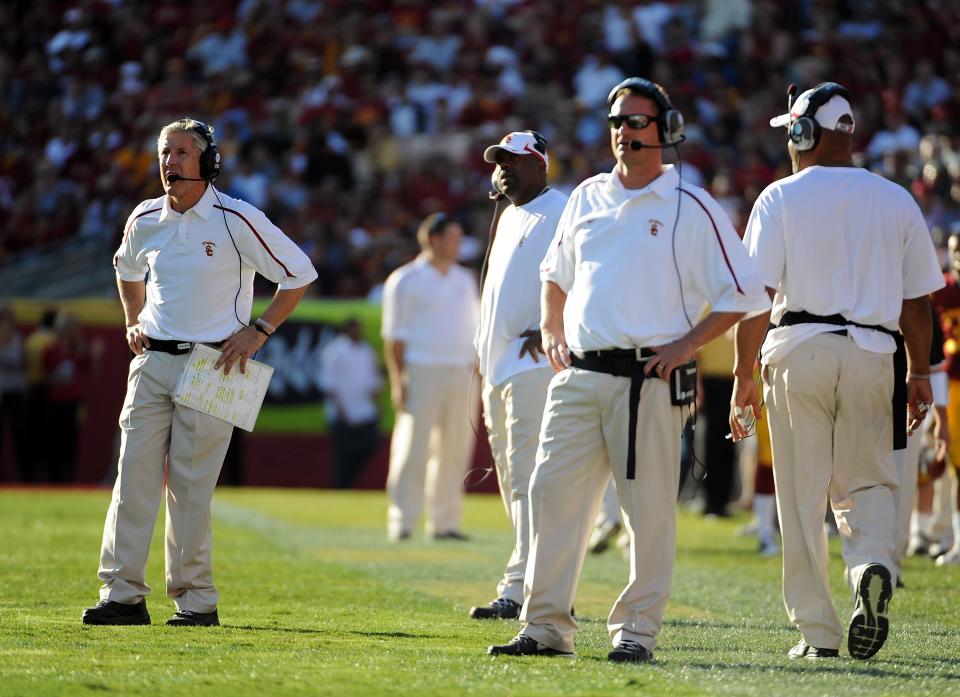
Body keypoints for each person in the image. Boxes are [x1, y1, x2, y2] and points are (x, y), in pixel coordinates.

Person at [488, 77, 768, 661]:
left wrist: (687, 343)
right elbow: (554, 276)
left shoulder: (692, 205)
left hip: (649, 379)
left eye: (636, 122)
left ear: (666, 132)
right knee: (549, 495)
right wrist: (550, 330)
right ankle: (545, 628)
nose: (623, 132)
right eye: (616, 122)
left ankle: (636, 632)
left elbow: (746, 293)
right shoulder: (587, 194)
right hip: (578, 375)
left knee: (646, 513)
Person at [730, 83, 943, 661]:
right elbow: (918, 302)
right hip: (876, 352)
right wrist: (920, 373)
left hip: (799, 347)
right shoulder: (896, 198)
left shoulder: (779, 197)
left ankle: (818, 634)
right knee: (869, 482)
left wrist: (742, 375)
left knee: (802, 496)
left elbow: (758, 296)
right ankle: (870, 565)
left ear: (804, 131)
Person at [82, 118, 317, 627]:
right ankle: (121, 594)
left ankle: (196, 601)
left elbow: (299, 273)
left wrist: (260, 331)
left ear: (210, 161)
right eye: (166, 152)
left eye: (183, 152)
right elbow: (126, 269)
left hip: (216, 362)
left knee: (190, 489)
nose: (170, 161)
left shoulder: (237, 217)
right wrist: (130, 319)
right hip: (152, 360)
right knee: (132, 479)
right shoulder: (145, 217)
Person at [469, 131, 568, 619]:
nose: (504, 168)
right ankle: (527, 577)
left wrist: (556, 326)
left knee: (530, 476)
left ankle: (523, 586)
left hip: (533, 364)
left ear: (541, 165)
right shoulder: (508, 214)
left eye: (515, 160)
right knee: (511, 478)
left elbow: (585, 273)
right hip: (498, 366)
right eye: (499, 161)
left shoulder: (563, 209)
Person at [381, 212, 479, 542]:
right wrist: (399, 380)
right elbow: (394, 336)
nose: (459, 244)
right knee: (412, 448)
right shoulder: (405, 279)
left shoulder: (465, 280)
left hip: (461, 372)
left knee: (455, 449)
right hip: (421, 370)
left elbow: (475, 332)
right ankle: (403, 520)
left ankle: (444, 522)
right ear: (434, 240)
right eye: (454, 237)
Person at [319, 316, 383, 489]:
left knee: (369, 446)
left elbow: (373, 382)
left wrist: (377, 407)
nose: (358, 332)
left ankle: (351, 483)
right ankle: (341, 488)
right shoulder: (335, 351)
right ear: (347, 330)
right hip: (342, 414)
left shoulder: (367, 351)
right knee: (343, 456)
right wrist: (340, 410)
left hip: (364, 412)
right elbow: (329, 383)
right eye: (355, 328)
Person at [0, 304, 28, 481]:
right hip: (2, 391)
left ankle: (24, 477)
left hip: (16, 392)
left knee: (20, 436)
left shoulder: (18, 339)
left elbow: (25, 363)